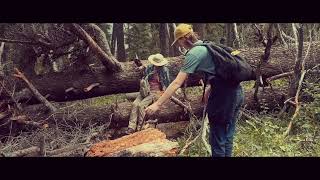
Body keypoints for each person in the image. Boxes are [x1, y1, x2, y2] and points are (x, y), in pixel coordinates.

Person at [145, 24, 244, 157]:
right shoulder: (207, 45)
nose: (180, 45)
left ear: (184, 38)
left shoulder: (194, 53)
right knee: (228, 135)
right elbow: (217, 70)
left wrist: (157, 104)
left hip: (223, 98)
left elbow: (176, 83)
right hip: (237, 92)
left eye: (179, 41)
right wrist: (210, 86)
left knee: (218, 138)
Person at [125, 53, 171, 134]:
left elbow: (167, 83)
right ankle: (131, 127)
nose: (157, 66)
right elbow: (144, 77)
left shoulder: (164, 70)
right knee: (135, 104)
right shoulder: (149, 67)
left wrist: (164, 93)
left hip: (155, 92)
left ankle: (140, 127)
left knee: (141, 105)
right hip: (145, 90)